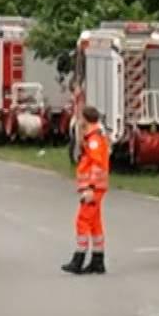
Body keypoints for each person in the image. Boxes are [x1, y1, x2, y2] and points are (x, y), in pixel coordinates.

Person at [62, 104, 109, 276]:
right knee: (95, 224)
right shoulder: (93, 137)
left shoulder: (94, 140)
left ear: (86, 120)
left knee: (82, 221)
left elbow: (97, 165)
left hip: (93, 188)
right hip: (96, 188)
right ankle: (98, 260)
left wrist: (90, 187)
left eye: (81, 118)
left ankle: (78, 259)